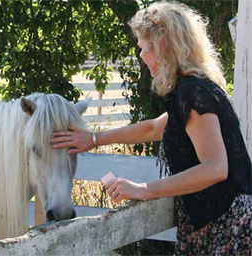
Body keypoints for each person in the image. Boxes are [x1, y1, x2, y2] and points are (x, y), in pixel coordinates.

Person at [51, 1, 252, 255]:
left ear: (162, 46)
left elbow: (215, 168)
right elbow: (153, 129)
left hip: (228, 229)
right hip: (217, 226)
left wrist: (143, 189)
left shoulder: (193, 94)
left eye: (144, 47)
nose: (141, 56)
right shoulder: (193, 89)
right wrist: (92, 139)